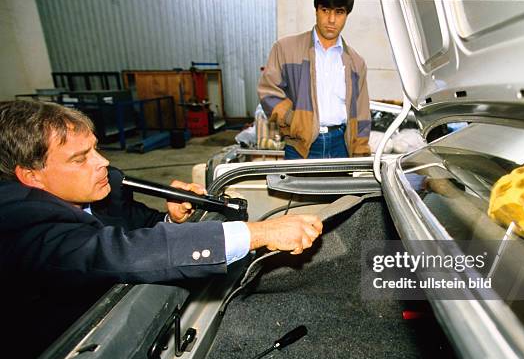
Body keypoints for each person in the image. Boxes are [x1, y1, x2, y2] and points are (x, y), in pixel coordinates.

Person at [0, 100, 323, 285]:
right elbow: (116, 253)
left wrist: (173, 217)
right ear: (32, 177)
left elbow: (136, 229)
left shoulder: (100, 191)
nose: (104, 163)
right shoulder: (21, 222)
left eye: (95, 149)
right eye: (80, 158)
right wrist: (255, 233)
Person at [258, 0, 371, 159]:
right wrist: (294, 120)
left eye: (339, 12)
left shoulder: (356, 62)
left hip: (341, 147)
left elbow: (362, 113)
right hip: (300, 147)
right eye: (325, 10)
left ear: (346, 14)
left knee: (342, 185)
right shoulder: (285, 49)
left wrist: (361, 152)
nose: (331, 19)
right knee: (296, 185)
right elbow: (268, 91)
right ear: (316, 10)